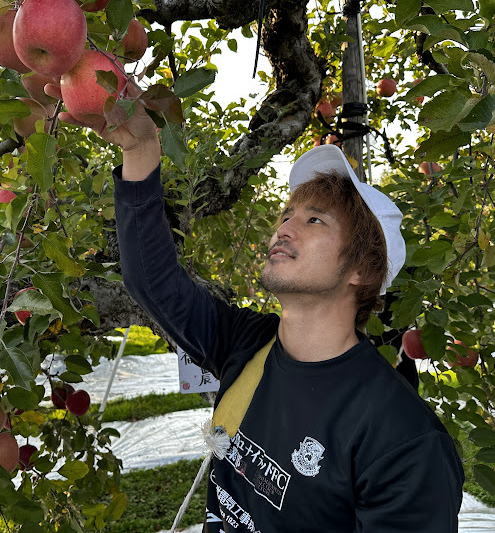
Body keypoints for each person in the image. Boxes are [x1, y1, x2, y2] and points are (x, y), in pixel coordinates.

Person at [66, 102, 464, 531]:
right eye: (286, 215)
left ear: (363, 270)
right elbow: (153, 281)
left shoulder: (403, 439)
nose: (284, 228)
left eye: (314, 220)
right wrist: (141, 149)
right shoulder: (247, 343)